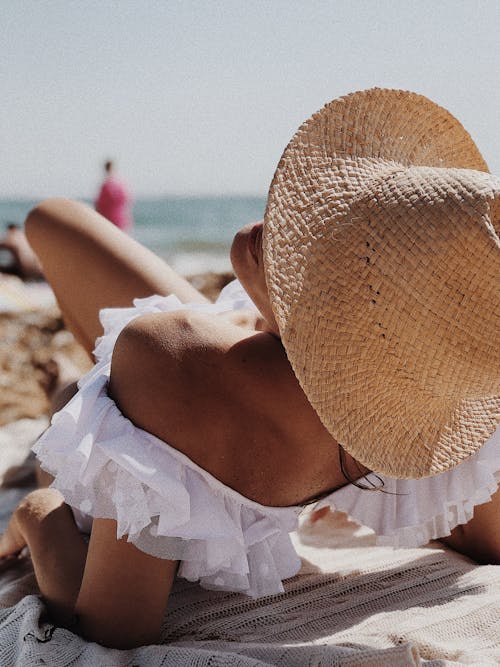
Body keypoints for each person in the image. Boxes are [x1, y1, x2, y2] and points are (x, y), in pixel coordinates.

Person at [0, 89, 498, 650]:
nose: (295, 215)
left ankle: (64, 392)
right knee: (54, 227)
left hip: (202, 385)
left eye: (332, 242)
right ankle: (73, 384)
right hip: (269, 365)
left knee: (67, 355)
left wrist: (41, 517)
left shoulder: (168, 357)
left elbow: (109, 630)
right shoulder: (447, 400)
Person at [94, 159, 133, 232]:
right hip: (121, 218)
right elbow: (127, 200)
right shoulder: (121, 183)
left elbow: (99, 204)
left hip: (109, 219)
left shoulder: (106, 185)